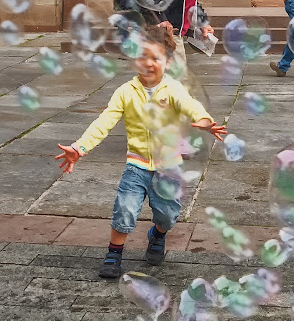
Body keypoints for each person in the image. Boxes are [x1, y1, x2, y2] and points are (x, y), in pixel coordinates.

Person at [55, 25, 227, 278]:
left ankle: (157, 234)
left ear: (168, 61)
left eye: (155, 58)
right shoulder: (125, 92)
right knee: (124, 210)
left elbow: (190, 105)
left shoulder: (173, 89)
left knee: (168, 216)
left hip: (168, 166)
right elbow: (104, 122)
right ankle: (114, 254)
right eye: (142, 56)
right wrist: (80, 148)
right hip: (136, 166)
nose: (148, 63)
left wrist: (203, 119)